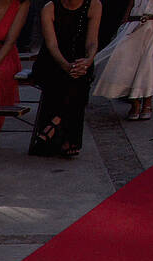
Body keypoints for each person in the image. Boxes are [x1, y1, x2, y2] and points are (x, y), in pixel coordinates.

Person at [27, 0, 100, 153]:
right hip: (52, 60)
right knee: (70, 79)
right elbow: (52, 45)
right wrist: (67, 66)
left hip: (78, 58)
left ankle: (53, 124)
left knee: (79, 76)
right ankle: (69, 140)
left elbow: (92, 41)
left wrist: (88, 60)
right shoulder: (49, 8)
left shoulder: (94, 5)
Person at [92, 0, 153, 120]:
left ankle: (147, 103)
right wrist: (123, 25)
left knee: (148, 66)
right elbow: (130, 5)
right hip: (132, 27)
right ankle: (134, 102)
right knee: (126, 63)